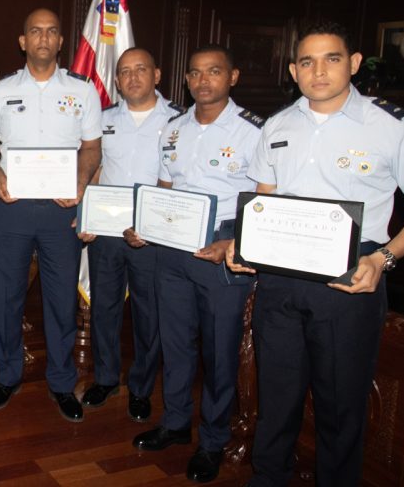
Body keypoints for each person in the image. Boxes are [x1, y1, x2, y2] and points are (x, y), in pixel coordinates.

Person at [228, 21, 404, 487]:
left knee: (340, 405)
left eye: (331, 59)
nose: (319, 71)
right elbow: (263, 197)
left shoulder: (394, 127)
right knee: (277, 395)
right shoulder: (276, 125)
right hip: (280, 278)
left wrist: (383, 260)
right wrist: (241, 244)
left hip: (351, 277)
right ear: (293, 70)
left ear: (353, 64)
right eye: (307, 61)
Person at [131, 45, 261, 484]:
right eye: (196, 73)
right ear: (185, 80)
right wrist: (145, 225)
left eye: (214, 72)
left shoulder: (253, 132)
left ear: (233, 76)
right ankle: (174, 423)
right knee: (175, 341)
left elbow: (264, 197)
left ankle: (212, 441)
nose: (204, 80)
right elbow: (165, 185)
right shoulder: (174, 128)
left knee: (220, 350)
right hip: (173, 243)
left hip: (222, 246)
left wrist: (234, 242)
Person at [0, 8, 103, 422]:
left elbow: (92, 148)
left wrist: (81, 185)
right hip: (12, 209)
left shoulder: (83, 90)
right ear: (23, 41)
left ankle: (62, 382)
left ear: (61, 42)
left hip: (61, 211)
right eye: (35, 31)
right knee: (6, 295)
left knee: (61, 299)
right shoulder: (1, 91)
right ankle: (8, 375)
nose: (43, 38)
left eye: (51, 31)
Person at [76, 47, 182, 422]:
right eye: (124, 72)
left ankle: (140, 386)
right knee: (103, 307)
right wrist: (85, 214)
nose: (132, 77)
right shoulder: (102, 120)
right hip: (108, 232)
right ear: (117, 81)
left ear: (157, 74)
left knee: (148, 313)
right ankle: (105, 378)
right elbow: (96, 170)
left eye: (141, 70)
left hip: (153, 236)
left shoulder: (179, 122)